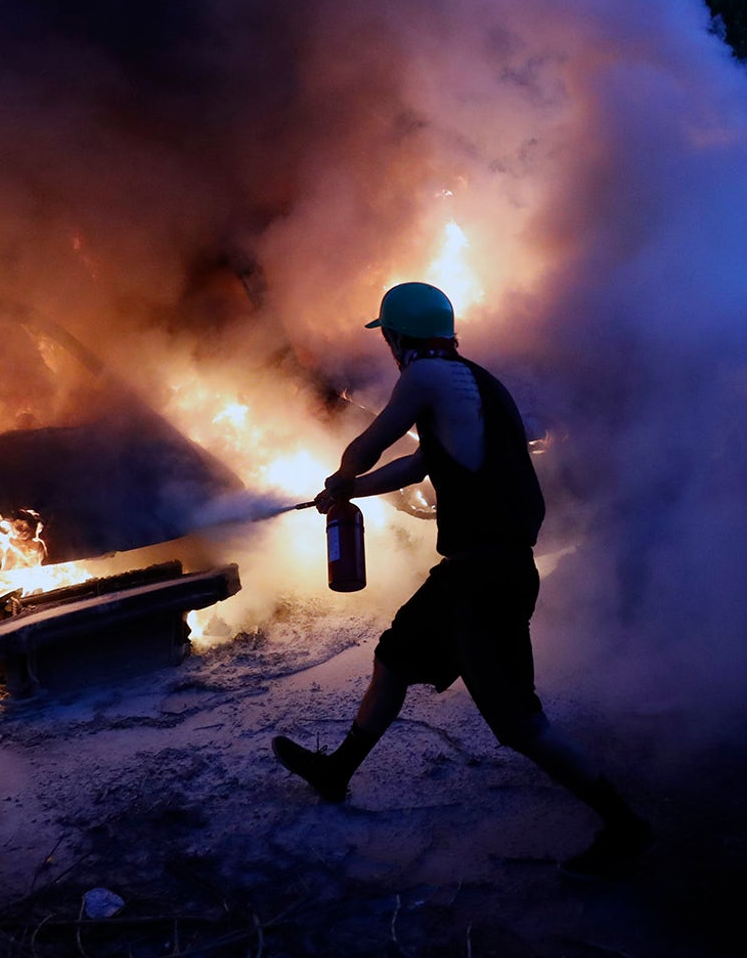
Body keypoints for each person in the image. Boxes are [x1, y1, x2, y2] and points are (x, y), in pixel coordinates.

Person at [271, 281, 652, 877]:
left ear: (398, 337)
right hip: (469, 571)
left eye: (389, 338)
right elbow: (418, 463)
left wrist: (343, 477)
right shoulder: (471, 383)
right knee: (395, 657)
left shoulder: (424, 377)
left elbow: (371, 447)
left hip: (488, 577)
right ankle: (336, 771)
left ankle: (624, 824)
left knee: (521, 726)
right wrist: (350, 493)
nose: (390, 350)